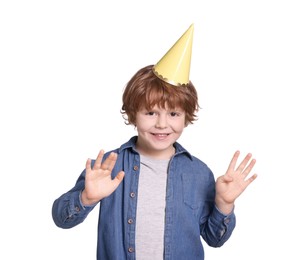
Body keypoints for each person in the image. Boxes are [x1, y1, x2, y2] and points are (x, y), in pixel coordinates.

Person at [52, 24, 257, 260]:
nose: (162, 124)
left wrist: (223, 203)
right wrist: (86, 198)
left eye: (173, 114)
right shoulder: (109, 167)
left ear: (186, 117)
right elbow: (61, 219)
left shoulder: (199, 173)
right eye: (151, 113)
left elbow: (215, 239)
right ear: (132, 114)